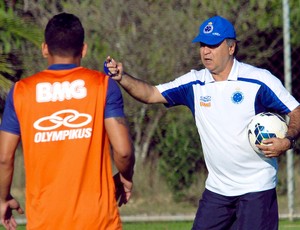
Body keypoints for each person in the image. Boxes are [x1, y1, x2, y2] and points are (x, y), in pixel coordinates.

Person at [105, 15, 300, 230]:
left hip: (257, 190)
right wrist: (122, 77)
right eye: (202, 45)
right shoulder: (195, 82)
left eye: (213, 45)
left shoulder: (258, 80)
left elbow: (296, 111)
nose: (205, 51)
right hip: (217, 191)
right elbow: (151, 94)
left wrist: (288, 141)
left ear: (231, 47)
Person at [0, 13, 135, 230]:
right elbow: (124, 151)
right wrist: (126, 176)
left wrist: (3, 197)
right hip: (98, 221)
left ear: (45, 48)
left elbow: (4, 159)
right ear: (83, 49)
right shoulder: (103, 85)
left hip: (45, 221)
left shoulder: (20, 92)